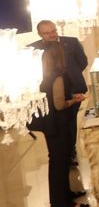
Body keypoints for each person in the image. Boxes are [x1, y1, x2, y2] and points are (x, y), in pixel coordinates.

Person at [38, 44, 88, 207]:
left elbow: (54, 98)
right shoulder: (57, 76)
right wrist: (74, 100)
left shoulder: (46, 76)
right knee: (59, 164)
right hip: (59, 125)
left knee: (60, 161)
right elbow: (59, 104)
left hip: (52, 124)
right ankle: (60, 204)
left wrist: (71, 97)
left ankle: (65, 195)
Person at [31, 20, 88, 161]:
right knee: (52, 124)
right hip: (49, 94)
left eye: (53, 31)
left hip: (73, 89)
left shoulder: (72, 42)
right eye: (47, 33)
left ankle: (71, 151)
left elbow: (82, 62)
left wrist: (70, 78)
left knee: (71, 121)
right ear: (39, 34)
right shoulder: (33, 49)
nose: (51, 35)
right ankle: (57, 153)